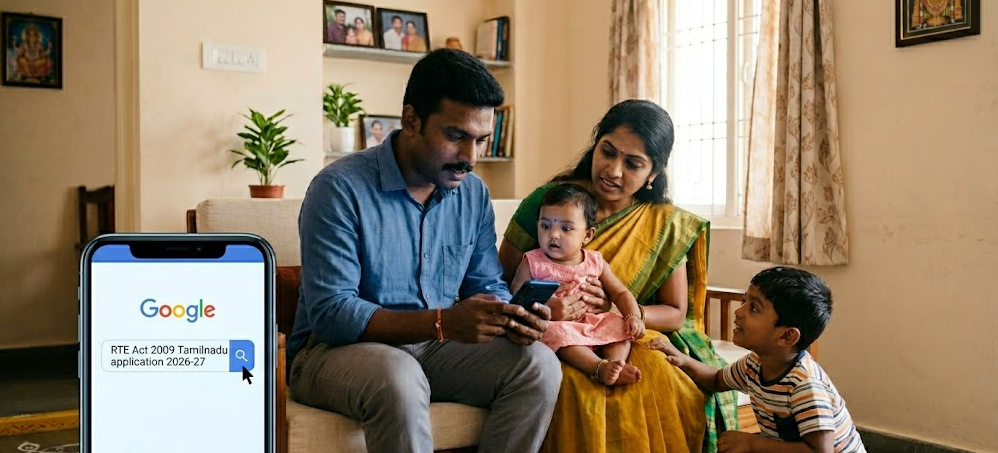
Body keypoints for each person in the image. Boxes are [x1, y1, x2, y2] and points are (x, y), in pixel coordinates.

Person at [288, 48, 562, 453]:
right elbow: (331, 315)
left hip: (435, 347)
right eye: (455, 137)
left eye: (481, 140)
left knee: (539, 366)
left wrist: (511, 316)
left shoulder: (472, 194)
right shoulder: (339, 188)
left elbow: (485, 283)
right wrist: (441, 323)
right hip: (332, 353)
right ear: (412, 120)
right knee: (397, 373)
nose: (470, 158)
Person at [499, 99, 738, 452]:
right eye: (607, 152)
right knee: (578, 389)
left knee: (655, 377)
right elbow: (499, 284)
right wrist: (547, 308)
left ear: (653, 174)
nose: (612, 170)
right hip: (556, 334)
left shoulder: (664, 224)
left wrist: (618, 310)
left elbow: (674, 313)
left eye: (633, 164)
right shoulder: (550, 202)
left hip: (625, 333)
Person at [648, 267, 867, 453]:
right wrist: (682, 359)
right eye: (744, 301)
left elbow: (820, 451)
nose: (739, 312)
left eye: (753, 308)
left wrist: (752, 443)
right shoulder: (753, 364)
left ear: (786, 336)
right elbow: (716, 379)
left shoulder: (805, 386)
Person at [510, 183, 645, 385]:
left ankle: (615, 364)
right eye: (545, 226)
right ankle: (596, 367)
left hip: (593, 322)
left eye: (566, 228)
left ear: (587, 235)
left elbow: (620, 292)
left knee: (620, 326)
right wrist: (544, 307)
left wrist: (633, 316)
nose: (554, 235)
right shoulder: (532, 261)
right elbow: (517, 298)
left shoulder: (595, 261)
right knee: (554, 333)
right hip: (560, 324)